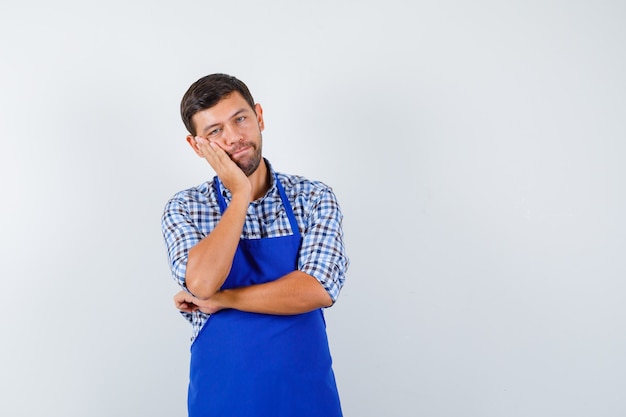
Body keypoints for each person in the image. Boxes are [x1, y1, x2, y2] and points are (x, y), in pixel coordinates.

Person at [161, 73, 349, 417]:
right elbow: (202, 283)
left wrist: (223, 300)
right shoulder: (185, 207)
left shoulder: (313, 198)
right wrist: (241, 195)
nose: (234, 137)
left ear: (259, 116)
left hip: (306, 399)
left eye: (241, 119)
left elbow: (317, 288)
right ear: (196, 145)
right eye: (215, 131)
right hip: (223, 401)